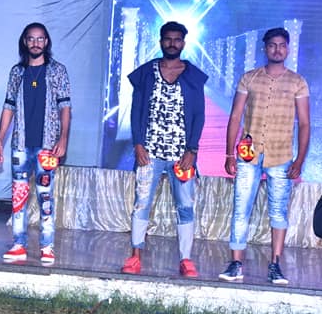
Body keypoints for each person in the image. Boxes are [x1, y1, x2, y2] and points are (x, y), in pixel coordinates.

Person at [219, 27, 310, 284]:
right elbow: (235, 116)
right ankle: (236, 264)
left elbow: (304, 123)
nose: (277, 50)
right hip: (248, 154)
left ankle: (275, 265)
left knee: (278, 212)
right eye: (272, 45)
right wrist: (229, 154)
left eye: (282, 45)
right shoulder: (249, 78)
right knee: (241, 209)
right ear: (265, 48)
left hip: (281, 156)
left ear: (288, 49)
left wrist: (299, 160)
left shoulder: (298, 82)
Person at [121, 21, 208, 278]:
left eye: (177, 39)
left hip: (182, 155)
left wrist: (192, 150)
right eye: (168, 39)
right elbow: (136, 110)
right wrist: (138, 143)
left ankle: (186, 259)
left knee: (185, 206)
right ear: (160, 42)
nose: (172, 43)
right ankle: (135, 256)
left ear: (183, 43)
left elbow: (199, 114)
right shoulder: (147, 72)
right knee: (142, 203)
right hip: (150, 151)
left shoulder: (193, 75)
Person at [0, 22, 71, 264]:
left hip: (47, 145)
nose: (35, 43)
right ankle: (19, 245)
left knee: (45, 197)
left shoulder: (57, 71)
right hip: (20, 144)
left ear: (46, 42)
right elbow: (8, 107)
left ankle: (47, 247)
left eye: (40, 39)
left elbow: (65, 107)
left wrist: (63, 138)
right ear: (25, 42)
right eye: (31, 39)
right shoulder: (17, 72)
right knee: (18, 197)